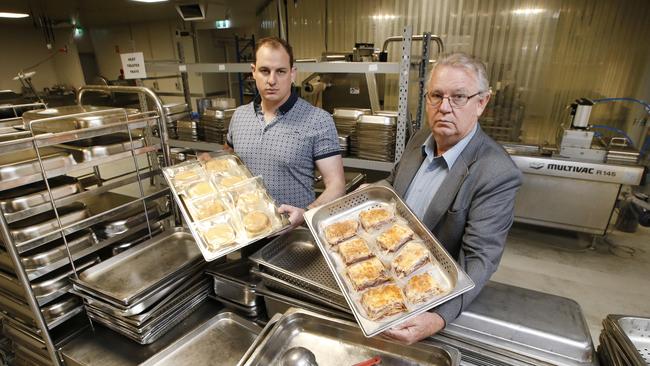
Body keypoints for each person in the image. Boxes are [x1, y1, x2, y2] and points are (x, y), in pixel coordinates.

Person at [380, 53, 522, 344]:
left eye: (459, 97)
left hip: (427, 296)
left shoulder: (496, 172)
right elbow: (394, 185)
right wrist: (364, 195)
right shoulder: (420, 138)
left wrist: (439, 317)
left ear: (481, 103)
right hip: (384, 275)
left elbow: (479, 258)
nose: (444, 108)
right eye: (436, 96)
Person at [225, 37, 346, 227]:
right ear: (253, 72)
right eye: (265, 71)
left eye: (280, 71)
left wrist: (306, 213)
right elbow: (229, 161)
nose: (272, 80)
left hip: (296, 234)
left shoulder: (318, 120)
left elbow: (337, 185)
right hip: (247, 229)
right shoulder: (239, 116)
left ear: (292, 73)